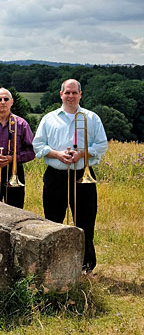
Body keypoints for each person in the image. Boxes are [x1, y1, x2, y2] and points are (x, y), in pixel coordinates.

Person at [33, 79, 108, 272]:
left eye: (75, 93)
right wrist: (57, 154)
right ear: (61, 94)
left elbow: (102, 144)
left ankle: (86, 267)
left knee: (86, 222)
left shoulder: (91, 118)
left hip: (83, 175)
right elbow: (38, 145)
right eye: (67, 92)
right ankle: (53, 264)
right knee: (52, 221)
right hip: (56, 175)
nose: (71, 96)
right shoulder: (49, 118)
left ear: (80, 95)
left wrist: (82, 153)